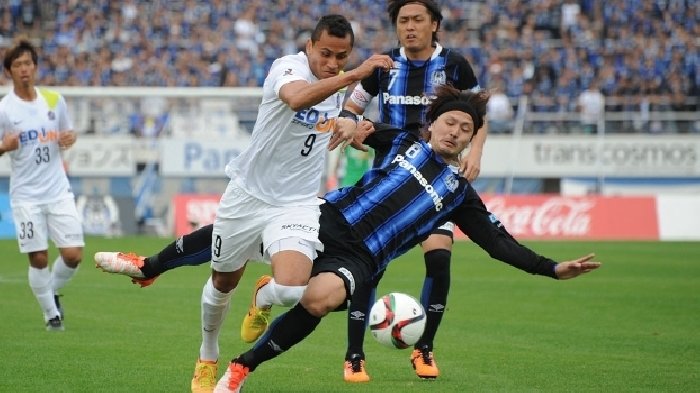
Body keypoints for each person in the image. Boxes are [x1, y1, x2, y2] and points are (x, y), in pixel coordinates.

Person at [212, 86, 601, 392]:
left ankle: (240, 369)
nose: (457, 132)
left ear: (470, 141)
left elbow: (499, 243)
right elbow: (355, 125)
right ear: (432, 124)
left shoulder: (459, 194)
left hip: (364, 255)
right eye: (451, 122)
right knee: (239, 241)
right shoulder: (401, 141)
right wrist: (351, 127)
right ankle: (255, 291)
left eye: (466, 130)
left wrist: (551, 268)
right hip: (327, 219)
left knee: (320, 301)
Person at [95, 15, 393, 393]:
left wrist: (352, 123)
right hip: (248, 195)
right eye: (326, 54)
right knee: (222, 281)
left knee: (289, 290)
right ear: (309, 48)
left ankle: (263, 294)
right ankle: (207, 355)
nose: (333, 63)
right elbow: (298, 98)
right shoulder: (287, 68)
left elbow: (343, 114)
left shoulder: (337, 85)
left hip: (296, 204)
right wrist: (354, 75)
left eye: (342, 57)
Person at [340, 0, 487, 381]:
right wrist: (353, 126)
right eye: (403, 20)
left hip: (435, 186)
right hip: (387, 186)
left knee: (440, 260)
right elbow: (352, 106)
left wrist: (477, 153)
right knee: (368, 270)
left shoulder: (455, 65)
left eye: (417, 20)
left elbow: (479, 116)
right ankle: (354, 356)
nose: (409, 27)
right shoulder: (383, 66)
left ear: (434, 24)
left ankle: (424, 349)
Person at [0, 39, 83, 331]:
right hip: (26, 195)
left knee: (73, 255)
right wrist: (3, 146)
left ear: (35, 67)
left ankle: (50, 292)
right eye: (17, 65)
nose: (24, 69)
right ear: (9, 71)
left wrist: (68, 139)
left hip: (58, 190)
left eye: (28, 63)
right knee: (38, 256)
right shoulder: (5, 109)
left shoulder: (53, 100)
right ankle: (52, 316)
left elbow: (66, 133)